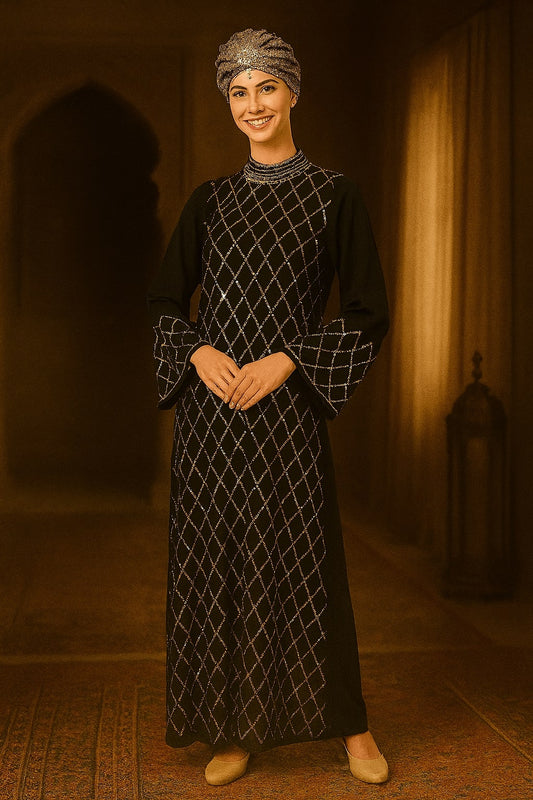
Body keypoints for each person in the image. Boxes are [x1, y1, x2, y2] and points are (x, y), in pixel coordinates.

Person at [147, 28, 390, 788]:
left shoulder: (332, 195)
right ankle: (235, 730)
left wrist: (289, 360)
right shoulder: (210, 201)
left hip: (285, 415)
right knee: (219, 566)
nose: (252, 104)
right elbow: (161, 302)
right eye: (238, 92)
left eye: (265, 88)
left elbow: (367, 311)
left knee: (306, 567)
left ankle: (352, 729)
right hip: (212, 420)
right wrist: (197, 352)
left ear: (292, 93)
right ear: (229, 103)